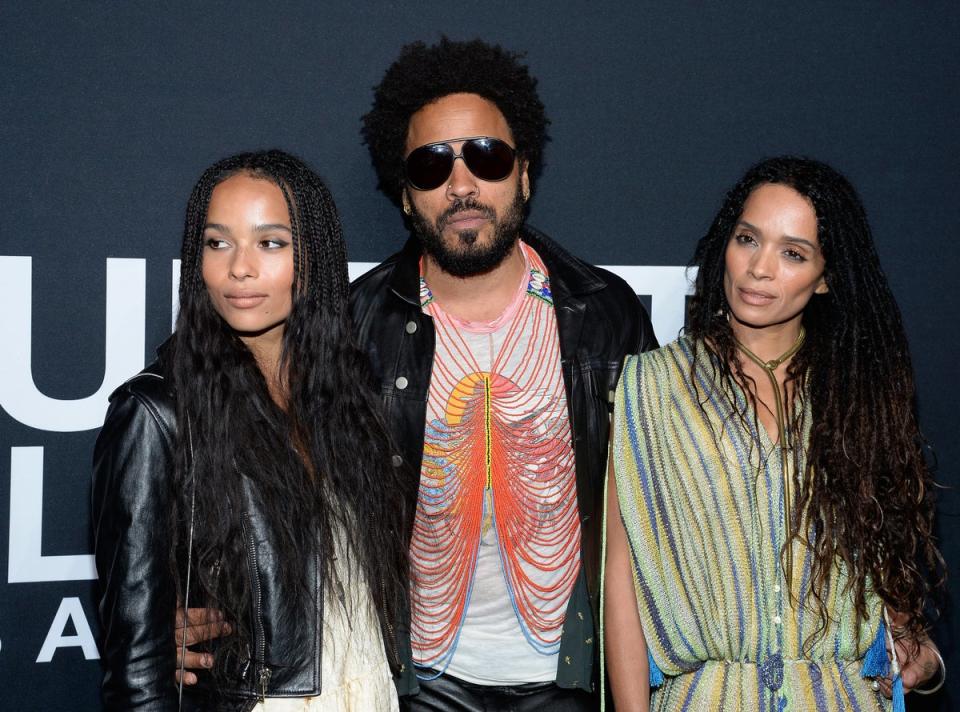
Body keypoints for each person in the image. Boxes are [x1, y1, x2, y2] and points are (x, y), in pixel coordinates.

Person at [175, 39, 655, 708]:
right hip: (415, 680)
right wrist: (176, 607)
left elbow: (655, 511)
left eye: (486, 157)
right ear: (405, 196)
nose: (461, 186)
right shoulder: (353, 322)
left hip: (574, 674)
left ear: (523, 173)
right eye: (432, 167)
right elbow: (231, 438)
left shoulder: (605, 315)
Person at [603, 156, 945, 711]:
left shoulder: (859, 393)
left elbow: (893, 574)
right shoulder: (651, 386)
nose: (759, 268)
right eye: (747, 239)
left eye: (793, 253)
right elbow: (622, 582)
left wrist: (916, 655)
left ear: (826, 275)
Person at [92, 150, 411, 710]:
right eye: (218, 243)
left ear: (314, 258)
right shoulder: (156, 413)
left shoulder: (349, 398)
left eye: (271, 243)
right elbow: (137, 668)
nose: (239, 268)